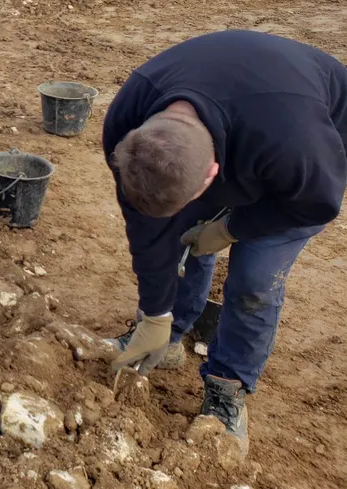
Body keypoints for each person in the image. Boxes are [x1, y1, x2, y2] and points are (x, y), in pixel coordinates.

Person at [104, 30, 347, 457]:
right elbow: (145, 226)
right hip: (240, 120)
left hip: (300, 156)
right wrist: (155, 314)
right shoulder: (128, 122)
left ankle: (226, 386)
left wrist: (229, 229)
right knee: (178, 234)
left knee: (254, 280)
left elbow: (317, 205)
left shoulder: (297, 146)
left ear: (213, 176)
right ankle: (173, 333)